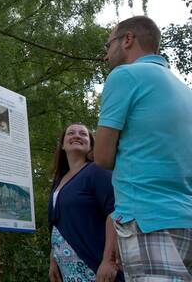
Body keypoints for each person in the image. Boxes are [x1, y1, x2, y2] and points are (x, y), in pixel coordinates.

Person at [95, 15, 192, 280]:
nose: (106, 55)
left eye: (108, 45)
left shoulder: (125, 76)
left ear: (127, 40)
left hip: (146, 218)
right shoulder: (184, 90)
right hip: (185, 219)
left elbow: (101, 157)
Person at [48, 123, 124, 282]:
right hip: (67, 269)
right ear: (62, 144)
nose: (76, 135)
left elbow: (114, 211)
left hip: (93, 264)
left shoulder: (97, 170)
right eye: (71, 133)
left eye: (83, 134)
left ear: (91, 144)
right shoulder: (58, 181)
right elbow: (56, 225)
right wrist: (53, 260)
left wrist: (108, 260)